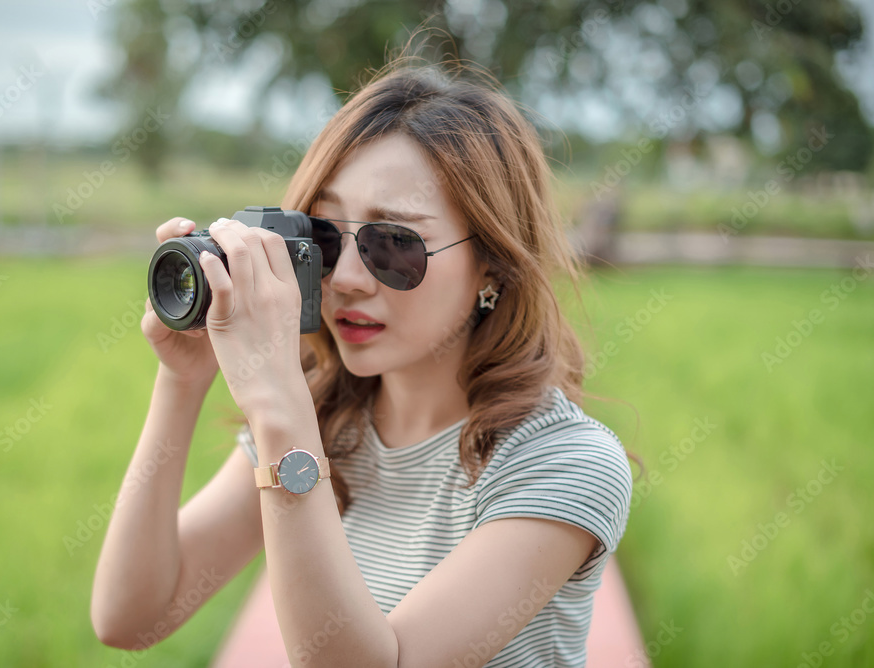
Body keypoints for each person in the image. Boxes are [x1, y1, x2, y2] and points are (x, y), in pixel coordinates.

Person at [91, 50, 634, 668]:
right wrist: (181, 379)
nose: (345, 278)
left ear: (492, 264)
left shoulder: (561, 462)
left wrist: (280, 411)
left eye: (394, 243)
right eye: (323, 237)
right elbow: (129, 615)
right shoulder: (329, 423)